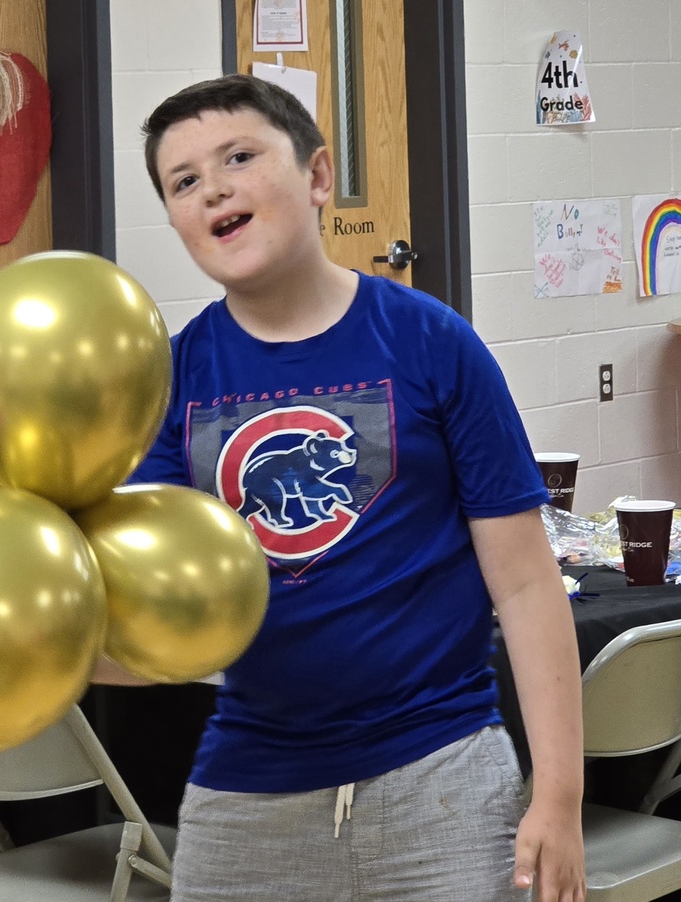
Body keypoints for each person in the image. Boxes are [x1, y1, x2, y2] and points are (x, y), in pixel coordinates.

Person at [95, 74, 586, 902]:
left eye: (239, 157)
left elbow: (528, 581)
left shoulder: (432, 342)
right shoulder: (170, 383)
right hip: (248, 793)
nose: (212, 186)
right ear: (178, 220)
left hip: (445, 783)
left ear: (319, 177)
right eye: (183, 182)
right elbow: (159, 641)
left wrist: (561, 798)